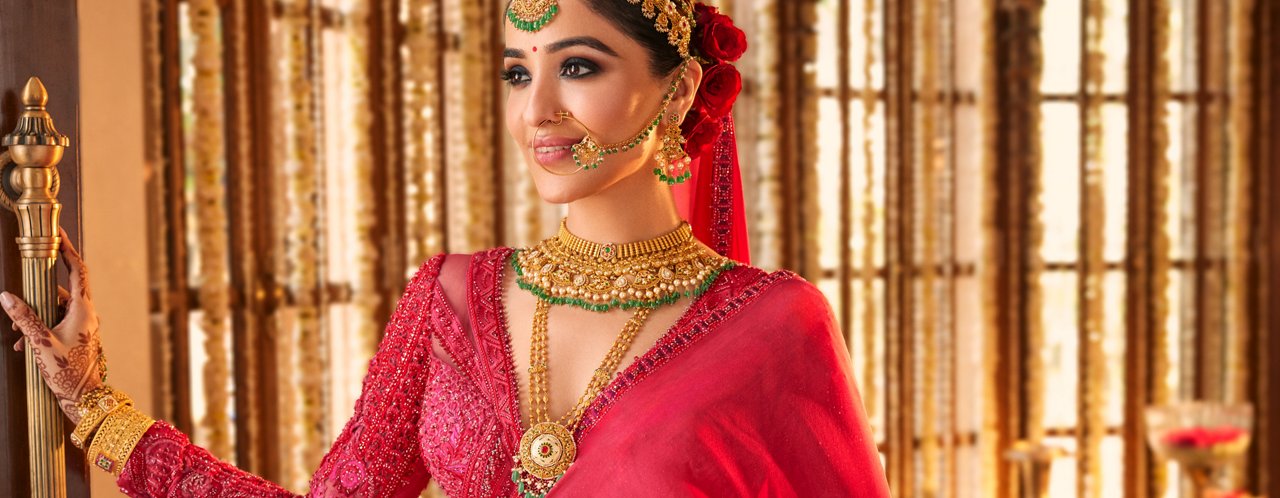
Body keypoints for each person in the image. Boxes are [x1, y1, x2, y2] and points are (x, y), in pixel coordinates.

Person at [3, 0, 890, 496]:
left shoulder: (773, 326)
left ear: (679, 87)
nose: (535, 110)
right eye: (517, 70)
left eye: (578, 67)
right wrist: (96, 408)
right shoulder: (453, 299)